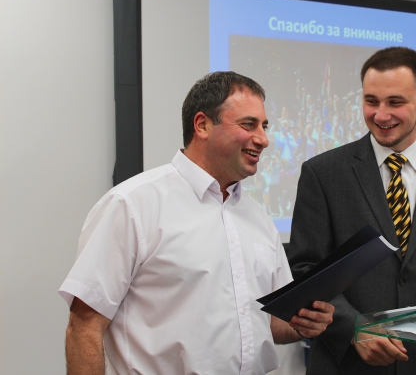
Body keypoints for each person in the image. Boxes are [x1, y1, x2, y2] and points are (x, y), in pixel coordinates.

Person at [59, 72, 334, 375]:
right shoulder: (132, 205)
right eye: (248, 124)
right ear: (202, 125)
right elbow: (84, 326)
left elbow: (270, 323)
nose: (263, 140)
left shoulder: (259, 217)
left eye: (264, 126)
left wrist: (304, 323)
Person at [288, 47, 416, 375]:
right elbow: (305, 270)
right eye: (371, 101)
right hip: (346, 366)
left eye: (395, 102)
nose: (381, 115)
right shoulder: (323, 173)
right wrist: (354, 328)